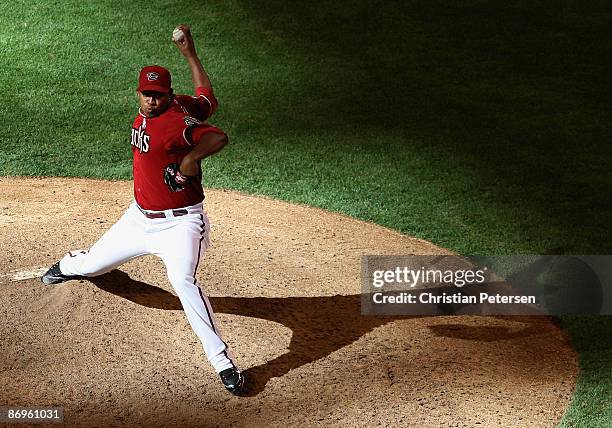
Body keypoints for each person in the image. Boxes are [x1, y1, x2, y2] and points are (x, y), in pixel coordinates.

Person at [41, 25, 245, 395]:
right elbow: (207, 97)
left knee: (183, 282)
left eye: (158, 95)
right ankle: (71, 264)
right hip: (138, 219)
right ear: (139, 92)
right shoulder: (183, 102)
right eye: (147, 94)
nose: (152, 101)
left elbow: (218, 135)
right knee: (90, 265)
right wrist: (190, 54)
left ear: (167, 95)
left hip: (181, 225)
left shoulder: (177, 120)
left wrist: (189, 161)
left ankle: (222, 362)